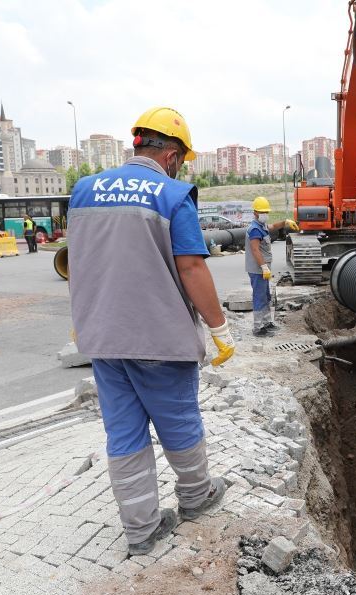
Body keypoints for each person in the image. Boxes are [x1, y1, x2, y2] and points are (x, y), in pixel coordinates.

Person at [67, 106, 235, 556]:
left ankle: (140, 530)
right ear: (173, 154)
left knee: (123, 433)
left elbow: (79, 261)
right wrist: (219, 326)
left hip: (102, 337)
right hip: (158, 337)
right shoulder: (172, 194)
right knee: (178, 422)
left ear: (138, 141)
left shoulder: (83, 190)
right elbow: (192, 266)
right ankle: (197, 497)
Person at [245, 196, 298, 336]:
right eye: (262, 212)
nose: (265, 215)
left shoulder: (261, 226)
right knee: (259, 297)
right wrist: (263, 267)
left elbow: (273, 227)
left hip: (263, 268)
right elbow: (255, 250)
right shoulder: (255, 229)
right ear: (255, 212)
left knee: (266, 296)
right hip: (258, 270)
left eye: (266, 212)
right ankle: (258, 328)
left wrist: (285, 222)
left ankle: (267, 323)